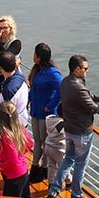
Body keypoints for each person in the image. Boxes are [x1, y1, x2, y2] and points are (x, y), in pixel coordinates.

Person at [45, 55, 99, 198]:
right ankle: (76, 197)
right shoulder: (78, 86)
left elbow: (88, 98)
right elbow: (93, 107)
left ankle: (54, 190)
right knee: (80, 166)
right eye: (85, 68)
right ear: (77, 69)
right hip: (82, 133)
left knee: (68, 159)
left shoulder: (66, 82)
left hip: (69, 129)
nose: (87, 71)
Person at [27, 42, 62, 183]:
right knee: (37, 141)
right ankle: (36, 167)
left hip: (45, 113)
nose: (33, 56)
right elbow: (34, 89)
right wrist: (28, 100)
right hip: (35, 111)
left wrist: (51, 105)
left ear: (39, 57)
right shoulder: (37, 70)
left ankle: (43, 168)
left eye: (35, 54)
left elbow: (61, 89)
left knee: (45, 142)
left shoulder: (52, 73)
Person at [0, 100, 33, 198]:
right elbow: (29, 143)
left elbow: (13, 160)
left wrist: (2, 165)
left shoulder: (6, 136)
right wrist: (20, 152)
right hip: (23, 172)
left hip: (14, 176)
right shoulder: (19, 127)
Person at [0, 51, 29, 127]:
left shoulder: (9, 90)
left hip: (13, 127)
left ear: (0, 67)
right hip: (22, 121)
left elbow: (6, 113)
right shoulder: (20, 76)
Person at [42, 104, 72, 188]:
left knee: (52, 166)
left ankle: (51, 183)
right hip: (57, 149)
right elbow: (67, 133)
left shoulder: (50, 119)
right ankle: (69, 182)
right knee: (64, 166)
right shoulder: (61, 124)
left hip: (48, 146)